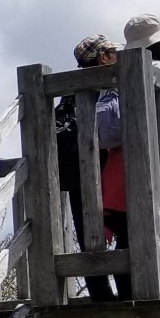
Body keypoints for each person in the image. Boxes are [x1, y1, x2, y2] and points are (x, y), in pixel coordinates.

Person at [58, 34, 127, 299]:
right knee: (120, 228)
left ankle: (100, 294)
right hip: (103, 169)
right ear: (104, 57)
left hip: (73, 172)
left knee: (88, 233)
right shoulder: (105, 88)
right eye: (114, 52)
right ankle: (126, 292)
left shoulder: (67, 92)